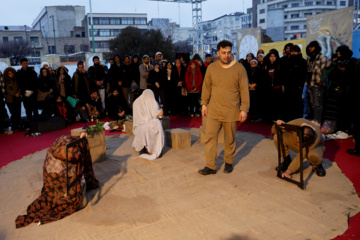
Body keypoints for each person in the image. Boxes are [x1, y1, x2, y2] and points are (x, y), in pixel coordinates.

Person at [15, 134, 99, 228]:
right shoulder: (70, 161)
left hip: (55, 190)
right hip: (67, 193)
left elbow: (73, 139)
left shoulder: (56, 148)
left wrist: (80, 136)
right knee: (82, 203)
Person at [198, 40, 250, 175]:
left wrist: (244, 109)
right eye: (223, 53)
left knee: (230, 139)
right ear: (218, 53)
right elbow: (206, 86)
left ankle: (228, 162)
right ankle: (210, 166)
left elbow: (244, 90)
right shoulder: (212, 68)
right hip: (213, 109)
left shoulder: (239, 68)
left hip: (232, 110)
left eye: (228, 53)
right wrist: (204, 104)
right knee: (209, 137)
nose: (226, 55)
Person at [132, 89, 164, 160]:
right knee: (147, 127)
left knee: (156, 124)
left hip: (147, 123)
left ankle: (157, 148)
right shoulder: (137, 103)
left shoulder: (151, 101)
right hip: (141, 125)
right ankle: (145, 148)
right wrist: (156, 115)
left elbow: (155, 112)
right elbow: (139, 119)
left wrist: (159, 113)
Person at [283, 45, 307, 121]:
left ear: (299, 52)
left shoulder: (303, 62)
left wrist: (300, 85)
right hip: (288, 86)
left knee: (297, 103)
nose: (293, 53)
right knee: (288, 103)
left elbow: (303, 75)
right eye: (292, 51)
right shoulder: (288, 61)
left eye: (295, 51)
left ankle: (297, 119)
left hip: (297, 87)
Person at [306, 41, 327, 126]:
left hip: (317, 84)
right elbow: (308, 71)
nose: (310, 48)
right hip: (309, 83)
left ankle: (318, 121)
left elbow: (323, 72)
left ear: (316, 47)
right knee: (312, 103)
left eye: (312, 46)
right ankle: (314, 119)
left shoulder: (322, 57)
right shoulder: (309, 58)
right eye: (309, 47)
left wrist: (319, 83)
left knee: (318, 104)